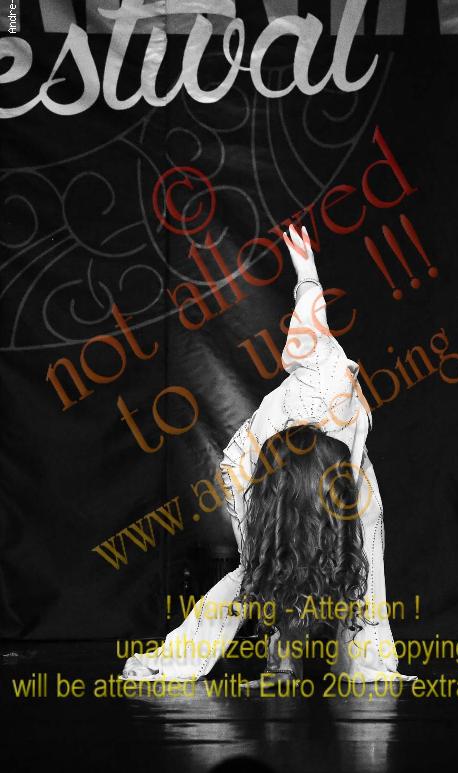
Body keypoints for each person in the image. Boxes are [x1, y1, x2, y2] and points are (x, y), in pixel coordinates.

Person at [122, 224, 412, 684]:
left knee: (360, 551)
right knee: (264, 568)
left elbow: (313, 333)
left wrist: (308, 276)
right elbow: (259, 570)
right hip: (267, 477)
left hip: (336, 470)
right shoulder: (252, 469)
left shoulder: (332, 391)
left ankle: (365, 661)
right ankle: (276, 661)